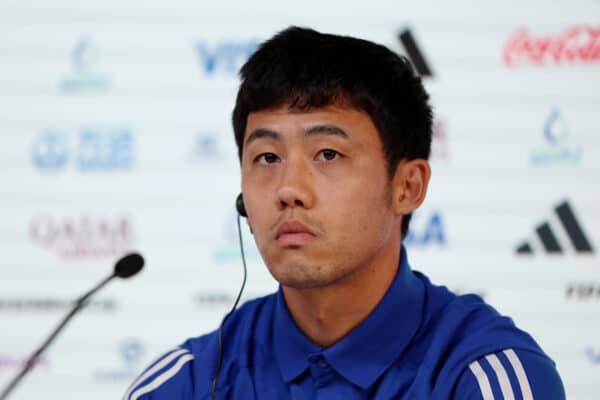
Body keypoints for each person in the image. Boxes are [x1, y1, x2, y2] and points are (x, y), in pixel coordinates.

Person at [123, 26, 565, 399]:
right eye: (267, 158)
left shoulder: (483, 378)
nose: (289, 190)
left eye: (328, 154)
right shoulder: (186, 384)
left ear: (407, 187)